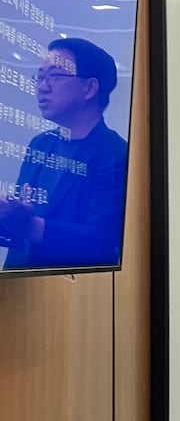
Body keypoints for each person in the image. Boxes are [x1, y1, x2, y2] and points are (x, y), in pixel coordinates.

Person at [0, 37, 128, 269]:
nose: (42, 86)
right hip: (18, 282)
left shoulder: (115, 154)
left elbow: (103, 242)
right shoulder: (40, 144)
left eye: (55, 76)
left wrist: (32, 227)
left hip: (71, 287)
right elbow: (20, 225)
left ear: (90, 88)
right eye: (40, 76)